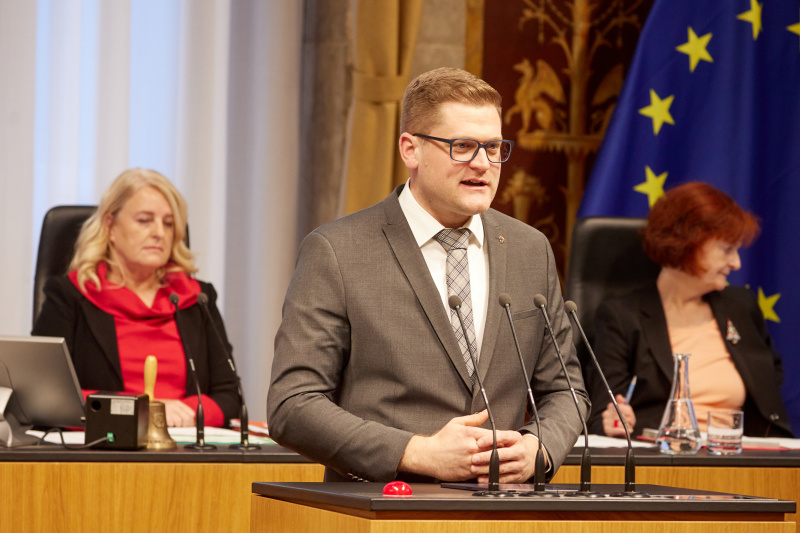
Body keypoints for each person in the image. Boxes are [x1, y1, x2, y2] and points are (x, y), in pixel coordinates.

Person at [267, 67, 588, 484]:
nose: (482, 164)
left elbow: (567, 391)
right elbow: (292, 405)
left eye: (493, 148)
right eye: (463, 146)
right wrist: (416, 452)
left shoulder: (530, 249)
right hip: (383, 510)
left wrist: (537, 449)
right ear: (410, 150)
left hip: (504, 510)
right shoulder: (337, 251)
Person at [33, 168, 239, 428]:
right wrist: (141, 411)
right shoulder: (72, 296)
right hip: (102, 453)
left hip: (184, 450)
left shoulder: (196, 299)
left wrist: (191, 411)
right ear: (110, 227)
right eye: (144, 220)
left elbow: (230, 396)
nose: (159, 233)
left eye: (168, 223)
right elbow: (43, 394)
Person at [590, 182, 792, 439]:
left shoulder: (741, 306)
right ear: (688, 243)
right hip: (663, 461)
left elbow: (769, 380)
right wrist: (615, 422)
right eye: (727, 249)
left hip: (744, 459)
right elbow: (602, 414)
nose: (737, 263)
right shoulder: (622, 317)